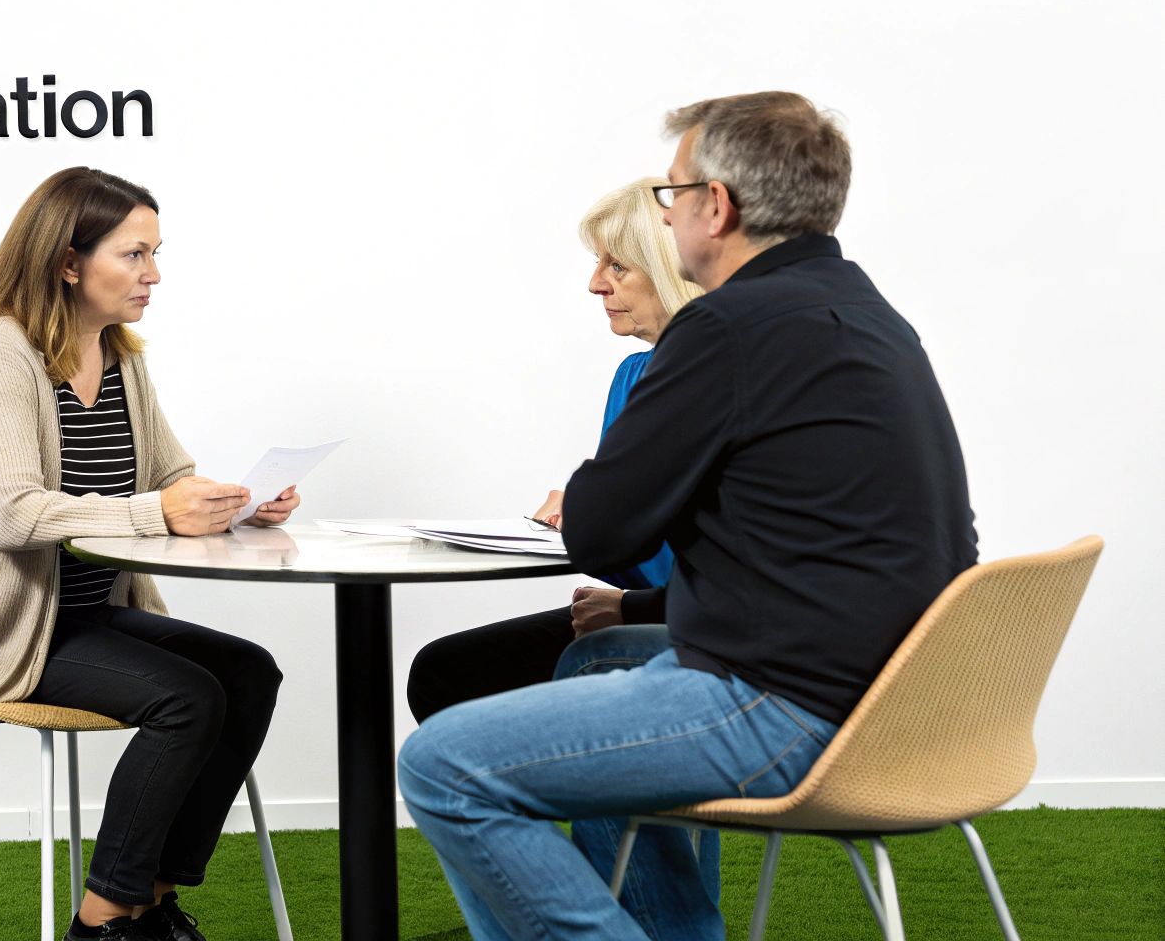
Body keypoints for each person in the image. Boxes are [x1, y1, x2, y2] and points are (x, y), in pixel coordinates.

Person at [398, 92, 978, 940]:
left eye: (672, 197)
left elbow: (601, 533)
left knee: (444, 764)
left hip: (788, 705)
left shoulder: (728, 328)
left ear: (718, 205)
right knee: (596, 658)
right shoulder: (871, 315)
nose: (667, 220)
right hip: (904, 697)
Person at [0, 167, 302, 941]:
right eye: (135, 254)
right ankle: (103, 921)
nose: (154, 274)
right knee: (186, 699)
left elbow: (168, 476)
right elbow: (9, 514)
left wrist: (237, 505)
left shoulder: (120, 356)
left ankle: (148, 896)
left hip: (86, 615)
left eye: (155, 253)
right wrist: (159, 512)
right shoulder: (0, 354)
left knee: (248, 672)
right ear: (68, 261)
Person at [405, 178, 704, 725]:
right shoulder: (635, 374)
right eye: (598, 264)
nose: (595, 284)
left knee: (454, 673)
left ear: (670, 268)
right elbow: (627, 538)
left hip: (705, 629)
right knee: (445, 669)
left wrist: (606, 530)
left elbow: (647, 540)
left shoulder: (705, 376)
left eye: (618, 267)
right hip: (660, 607)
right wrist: (589, 504)